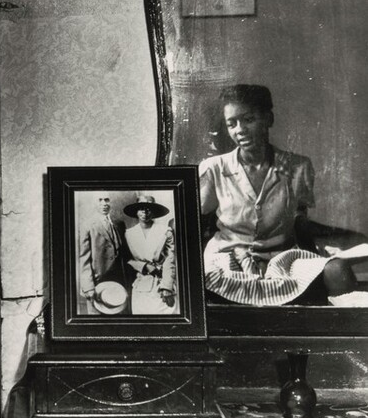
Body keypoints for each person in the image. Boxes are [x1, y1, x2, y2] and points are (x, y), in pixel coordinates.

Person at [199, 84, 362, 306]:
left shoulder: (298, 167)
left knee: (337, 270)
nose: (240, 130)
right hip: (228, 259)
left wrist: (322, 254)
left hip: (281, 259)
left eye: (248, 119)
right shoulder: (214, 168)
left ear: (268, 119)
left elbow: (300, 222)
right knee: (203, 279)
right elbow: (193, 222)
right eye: (232, 123)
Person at [123, 195, 179, 315]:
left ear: (154, 211)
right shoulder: (129, 233)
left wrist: (167, 287)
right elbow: (126, 259)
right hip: (140, 284)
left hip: (160, 283)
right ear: (136, 212)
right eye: (141, 208)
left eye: (149, 208)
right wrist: (143, 266)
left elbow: (170, 259)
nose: (145, 212)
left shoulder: (165, 231)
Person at [78, 191, 129, 314]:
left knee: (119, 324)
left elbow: (124, 254)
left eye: (107, 200)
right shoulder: (88, 225)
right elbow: (83, 258)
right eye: (99, 200)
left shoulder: (119, 224)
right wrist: (88, 287)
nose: (104, 203)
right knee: (97, 324)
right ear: (94, 203)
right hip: (97, 284)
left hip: (118, 283)